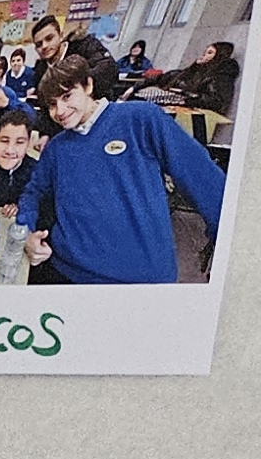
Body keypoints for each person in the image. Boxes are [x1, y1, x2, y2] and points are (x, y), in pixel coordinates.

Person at [25, 40, 228, 280]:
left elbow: (200, 175)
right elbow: (33, 193)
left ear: (88, 85)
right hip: (68, 272)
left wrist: (230, 240)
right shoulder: (56, 148)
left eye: (67, 96)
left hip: (140, 279)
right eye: (51, 104)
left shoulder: (140, 118)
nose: (60, 110)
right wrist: (26, 233)